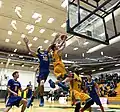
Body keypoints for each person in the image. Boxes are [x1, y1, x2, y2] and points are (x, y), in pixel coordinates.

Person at [23, 37, 51, 107]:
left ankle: (32, 99)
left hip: (46, 72)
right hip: (41, 72)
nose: (43, 49)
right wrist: (26, 43)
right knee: (41, 85)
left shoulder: (46, 53)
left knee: (39, 87)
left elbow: (51, 45)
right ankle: (39, 99)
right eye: (41, 48)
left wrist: (56, 38)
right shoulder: (39, 55)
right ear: (39, 50)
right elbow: (30, 51)